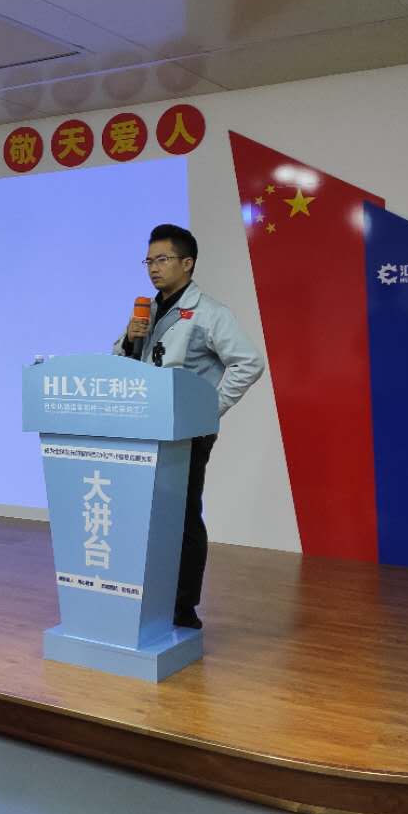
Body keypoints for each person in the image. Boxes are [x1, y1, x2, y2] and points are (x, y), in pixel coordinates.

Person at [114, 224, 265, 630]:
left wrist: (209, 409)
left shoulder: (210, 312)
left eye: (162, 259)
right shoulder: (146, 311)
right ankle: (151, 596)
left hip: (186, 433)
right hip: (145, 427)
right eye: (149, 261)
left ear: (187, 263)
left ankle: (183, 607)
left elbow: (249, 362)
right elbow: (120, 362)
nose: (153, 268)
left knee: (182, 515)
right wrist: (129, 339)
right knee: (148, 514)